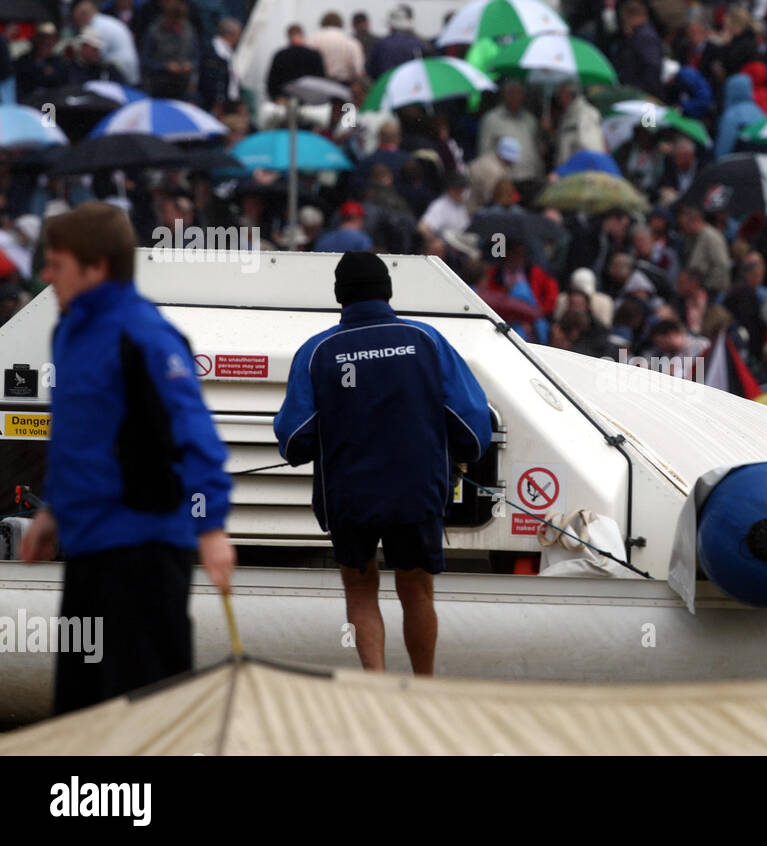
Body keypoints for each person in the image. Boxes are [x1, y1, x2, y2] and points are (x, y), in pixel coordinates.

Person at [22, 203, 235, 714]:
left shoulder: (144, 335)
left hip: (146, 547)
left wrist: (211, 528)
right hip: (88, 545)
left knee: (146, 710)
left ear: (97, 267)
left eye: (58, 265)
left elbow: (195, 435)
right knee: (80, 708)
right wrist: (53, 512)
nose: (47, 277)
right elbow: (80, 437)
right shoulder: (67, 332)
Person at [274, 252, 491, 675]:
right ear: (387, 291)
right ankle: (423, 687)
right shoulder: (426, 340)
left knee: (360, 589)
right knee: (417, 589)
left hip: (350, 496)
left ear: (339, 296)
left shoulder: (318, 352)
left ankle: (376, 688)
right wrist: (463, 453)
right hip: (416, 491)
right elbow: (471, 421)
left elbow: (295, 438)